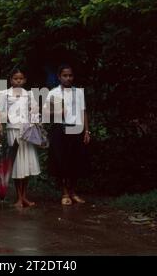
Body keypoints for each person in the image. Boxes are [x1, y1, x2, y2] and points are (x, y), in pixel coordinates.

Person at [43, 63, 91, 206]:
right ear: (59, 77)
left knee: (75, 161)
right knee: (61, 162)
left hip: (77, 129)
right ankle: (64, 193)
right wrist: (58, 112)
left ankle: (73, 192)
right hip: (60, 130)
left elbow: (83, 112)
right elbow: (45, 113)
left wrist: (87, 131)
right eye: (65, 75)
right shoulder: (53, 93)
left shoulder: (79, 92)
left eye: (70, 75)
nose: (68, 78)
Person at [0, 67, 41, 208]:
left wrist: (35, 123)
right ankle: (18, 197)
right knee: (16, 163)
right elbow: (1, 112)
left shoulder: (29, 94)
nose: (18, 81)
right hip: (13, 131)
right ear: (11, 80)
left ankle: (24, 196)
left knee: (26, 163)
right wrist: (0, 128)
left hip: (27, 132)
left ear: (25, 80)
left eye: (21, 78)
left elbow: (34, 111)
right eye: (15, 78)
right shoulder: (5, 94)